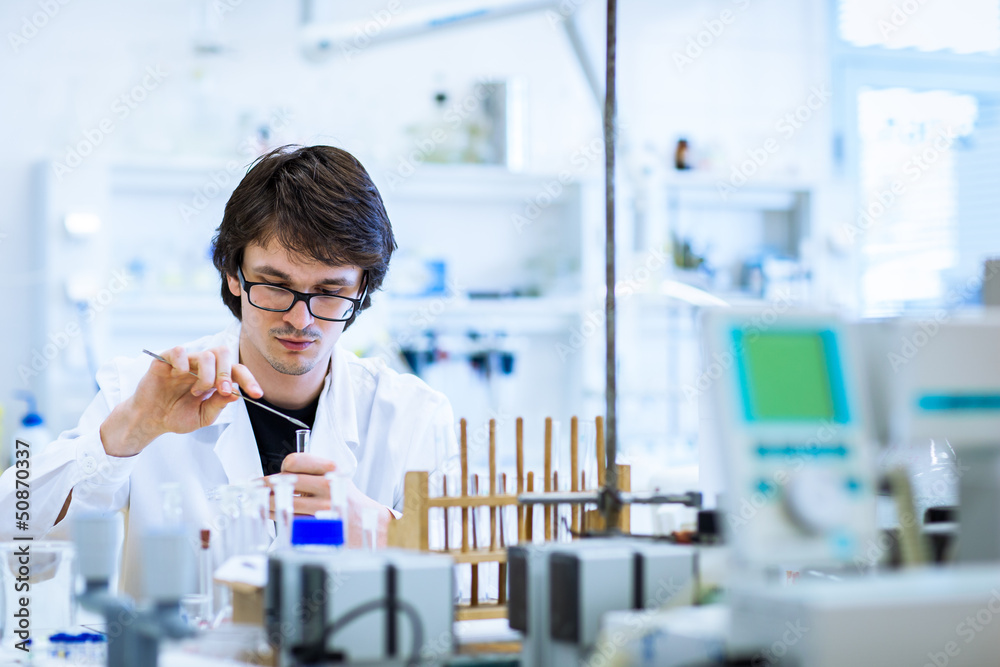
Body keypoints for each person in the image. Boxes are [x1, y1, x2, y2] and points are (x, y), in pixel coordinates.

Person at [0, 145, 456, 597]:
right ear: (233, 273)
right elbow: (15, 541)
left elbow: (485, 583)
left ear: (363, 289)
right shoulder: (140, 389)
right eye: (276, 286)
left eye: (330, 291)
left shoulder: (413, 416)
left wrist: (383, 529)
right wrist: (129, 432)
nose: (301, 320)